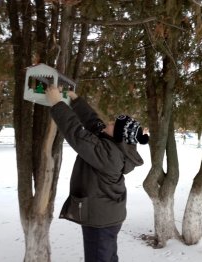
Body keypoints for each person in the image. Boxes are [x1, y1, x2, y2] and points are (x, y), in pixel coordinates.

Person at [45, 85, 149, 262]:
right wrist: (75, 100)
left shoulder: (109, 154)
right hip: (108, 215)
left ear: (118, 135)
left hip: (100, 221)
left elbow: (77, 135)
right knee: (108, 257)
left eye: (114, 124)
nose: (109, 122)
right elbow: (93, 122)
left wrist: (57, 103)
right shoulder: (112, 144)